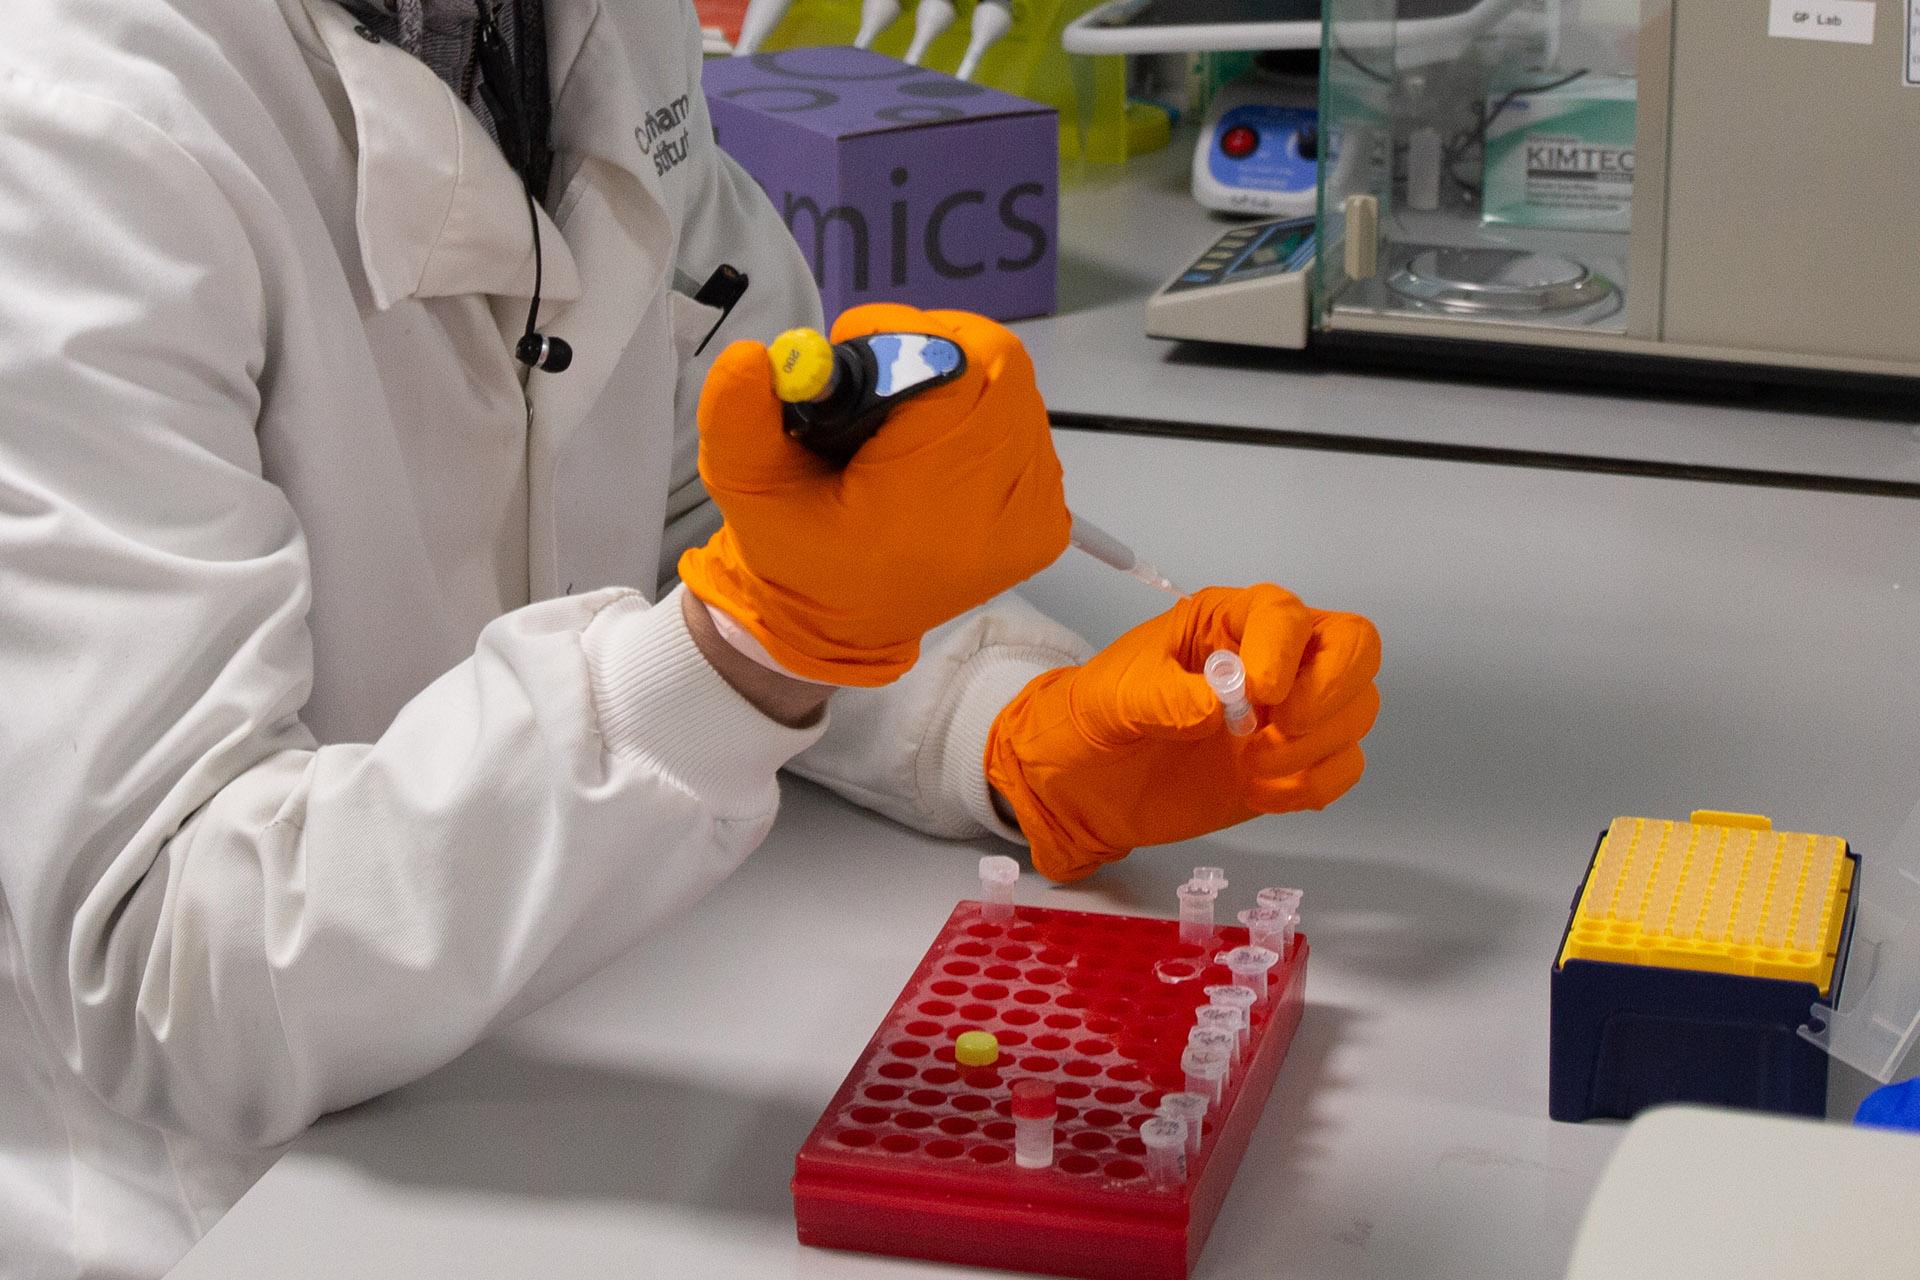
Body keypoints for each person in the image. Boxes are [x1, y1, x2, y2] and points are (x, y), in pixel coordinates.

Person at [0, 1, 1382, 1275]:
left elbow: (716, 490)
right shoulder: (78, 127)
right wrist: (739, 656)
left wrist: (1001, 721)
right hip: (240, 1202)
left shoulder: (585, 22)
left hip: (556, 1040)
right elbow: (165, 965)